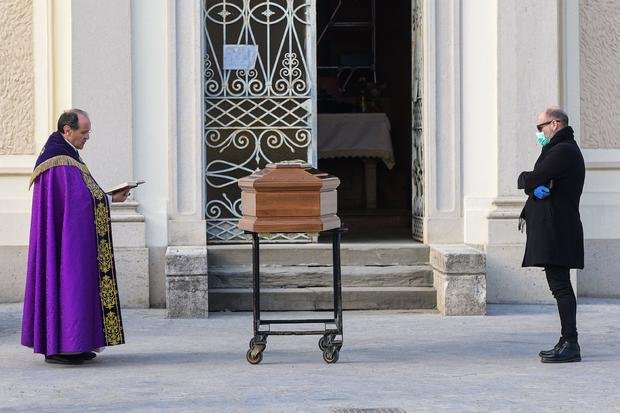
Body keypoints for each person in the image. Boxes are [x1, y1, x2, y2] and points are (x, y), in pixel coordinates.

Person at [21, 109, 130, 365]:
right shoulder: (60, 160)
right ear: (67, 130)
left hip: (67, 237)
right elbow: (79, 201)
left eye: (88, 132)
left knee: (73, 285)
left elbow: (81, 194)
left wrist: (105, 197)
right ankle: (62, 347)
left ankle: (75, 344)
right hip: (66, 242)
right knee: (69, 283)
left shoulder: (67, 155)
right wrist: (110, 199)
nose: (87, 137)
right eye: (84, 132)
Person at [518, 107, 585, 363]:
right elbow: (538, 181)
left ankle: (571, 342)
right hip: (557, 228)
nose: (539, 133)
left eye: (541, 127)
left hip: (558, 230)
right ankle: (566, 339)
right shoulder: (558, 149)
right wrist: (532, 187)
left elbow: (534, 177)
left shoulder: (563, 150)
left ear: (555, 123)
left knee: (561, 287)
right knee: (560, 287)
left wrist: (526, 180)